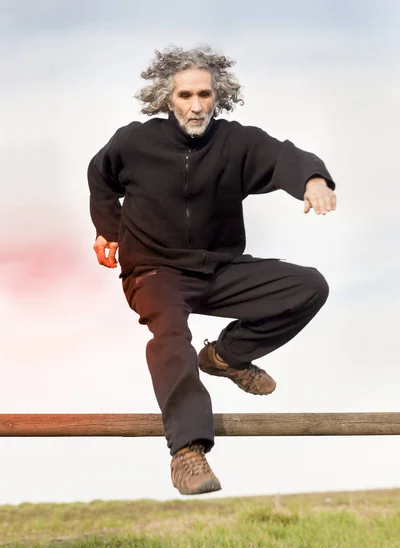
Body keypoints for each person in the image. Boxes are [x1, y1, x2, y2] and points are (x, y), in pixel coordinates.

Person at [87, 45, 336, 496]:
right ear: (168, 99)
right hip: (153, 269)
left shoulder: (237, 142)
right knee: (169, 336)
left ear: (218, 96)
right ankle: (187, 451)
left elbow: (283, 157)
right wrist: (108, 229)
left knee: (307, 286)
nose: (196, 105)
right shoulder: (134, 141)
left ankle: (226, 356)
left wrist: (312, 180)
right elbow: (100, 175)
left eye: (205, 94)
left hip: (217, 268)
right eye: (185, 95)